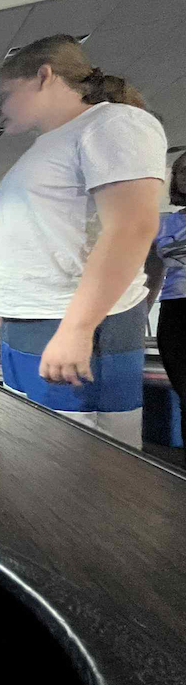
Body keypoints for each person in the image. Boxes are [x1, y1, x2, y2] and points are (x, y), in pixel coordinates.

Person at [0, 34, 167, 448]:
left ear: (44, 76)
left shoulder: (113, 123)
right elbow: (34, 238)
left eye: (6, 95)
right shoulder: (43, 148)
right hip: (26, 322)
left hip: (77, 322)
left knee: (80, 462)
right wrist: (1, 316)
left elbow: (131, 227)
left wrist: (77, 329)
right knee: (23, 451)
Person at [145, 151, 186, 458]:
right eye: (182, 171)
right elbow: (152, 275)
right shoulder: (164, 224)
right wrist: (141, 316)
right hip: (175, 314)